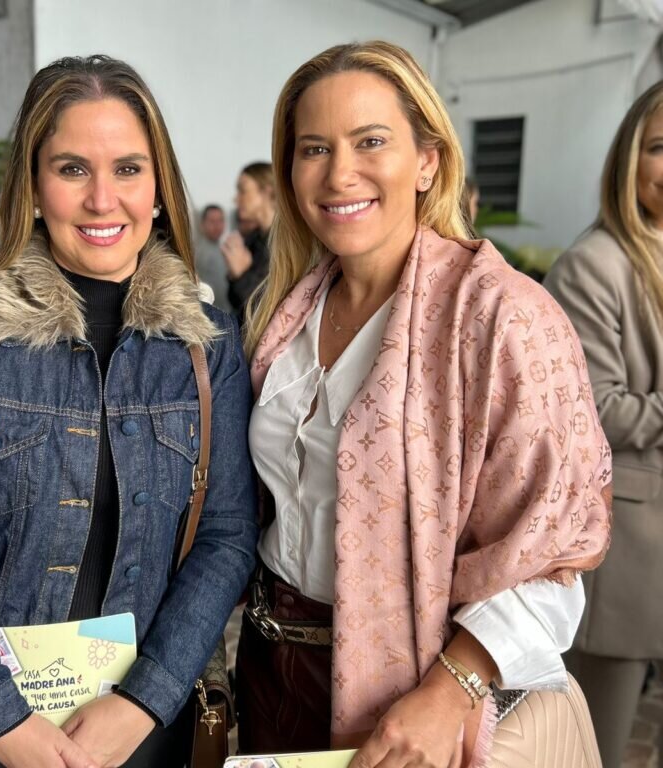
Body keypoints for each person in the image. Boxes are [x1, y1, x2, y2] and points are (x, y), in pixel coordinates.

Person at [0, 55, 258, 768]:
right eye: (73, 168)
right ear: (33, 186)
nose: (102, 199)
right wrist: (3, 720)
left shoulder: (208, 347)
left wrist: (145, 699)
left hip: (140, 722)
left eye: (128, 169)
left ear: (159, 189)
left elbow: (227, 536)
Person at [238, 41, 613, 766]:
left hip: (411, 690)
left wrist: (451, 689)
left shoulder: (501, 316)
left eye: (370, 141)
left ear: (428, 162)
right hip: (271, 664)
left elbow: (553, 551)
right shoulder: (289, 311)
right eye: (314, 148)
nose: (339, 173)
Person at [543, 81, 663, 768]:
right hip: (629, 546)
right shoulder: (596, 265)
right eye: (660, 146)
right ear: (628, 157)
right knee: (596, 745)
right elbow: (596, 412)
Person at [222, 161, 276, 320]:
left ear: (266, 192)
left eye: (242, 190)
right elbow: (236, 301)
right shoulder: (253, 239)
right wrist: (235, 275)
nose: (236, 199)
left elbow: (270, 311)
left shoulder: (289, 244)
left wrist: (242, 275)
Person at [195, 203, 232, 313]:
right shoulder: (197, 253)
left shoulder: (226, 249)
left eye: (220, 220)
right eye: (212, 221)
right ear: (202, 224)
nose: (217, 226)